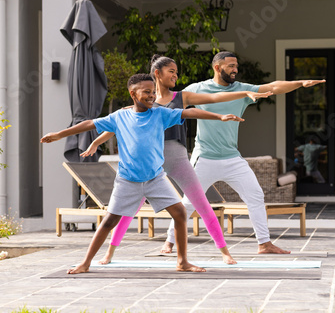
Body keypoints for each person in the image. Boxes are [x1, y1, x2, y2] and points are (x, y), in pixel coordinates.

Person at [41, 73, 244, 274]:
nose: (152, 96)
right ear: (133, 94)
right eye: (146, 92)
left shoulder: (160, 114)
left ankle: (182, 262)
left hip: (156, 178)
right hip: (127, 181)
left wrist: (219, 117)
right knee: (109, 221)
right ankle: (85, 262)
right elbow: (89, 124)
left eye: (153, 92)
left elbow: (189, 113)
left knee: (180, 213)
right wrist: (59, 134)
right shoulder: (119, 117)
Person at [82, 55, 272, 265]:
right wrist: (96, 143)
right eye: (171, 71)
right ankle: (109, 252)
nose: (176, 75)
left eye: (176, 71)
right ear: (157, 74)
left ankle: (225, 252)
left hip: (178, 158)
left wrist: (244, 92)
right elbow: (118, 124)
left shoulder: (182, 97)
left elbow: (214, 99)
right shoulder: (144, 101)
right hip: (152, 162)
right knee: (128, 210)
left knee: (203, 205)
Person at [161, 51, 326, 254]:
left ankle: (264, 243)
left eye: (236, 66)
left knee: (255, 195)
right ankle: (169, 242)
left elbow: (273, 87)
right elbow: (171, 104)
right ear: (217, 67)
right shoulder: (198, 89)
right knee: (190, 201)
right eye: (230, 66)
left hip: (232, 158)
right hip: (205, 157)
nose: (235, 70)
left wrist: (299, 83)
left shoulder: (242, 90)